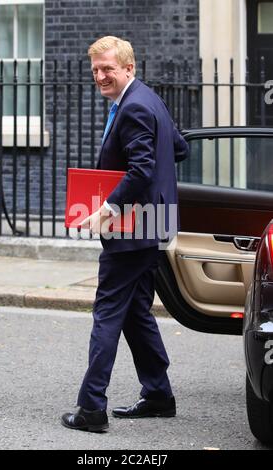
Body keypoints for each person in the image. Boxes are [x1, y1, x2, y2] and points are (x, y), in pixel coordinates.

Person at [61, 36, 189, 433]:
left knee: (107, 313)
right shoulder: (148, 99)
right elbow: (179, 148)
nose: (100, 76)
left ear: (128, 69)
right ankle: (158, 395)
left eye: (108, 69)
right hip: (153, 224)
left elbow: (142, 169)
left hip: (132, 229)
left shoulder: (132, 106)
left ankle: (91, 409)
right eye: (96, 69)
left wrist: (107, 208)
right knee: (135, 312)